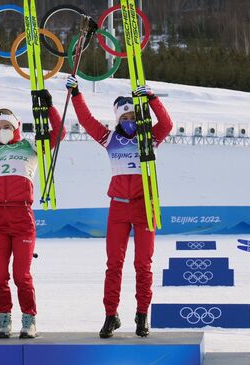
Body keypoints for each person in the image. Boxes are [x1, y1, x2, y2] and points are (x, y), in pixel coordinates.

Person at [66, 75, 173, 338]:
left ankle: (142, 315)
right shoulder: (109, 138)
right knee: (114, 264)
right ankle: (111, 315)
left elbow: (168, 124)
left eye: (132, 118)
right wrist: (77, 94)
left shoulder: (150, 138)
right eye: (124, 119)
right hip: (118, 208)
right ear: (118, 120)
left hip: (144, 207)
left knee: (143, 265)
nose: (129, 122)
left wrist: (153, 99)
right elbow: (87, 121)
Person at [0, 88, 65, 339]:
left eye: (6, 125)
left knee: (22, 275)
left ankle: (29, 319)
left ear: (16, 126)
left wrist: (50, 107)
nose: (1, 130)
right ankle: (4, 319)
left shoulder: (32, 148)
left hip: (22, 217)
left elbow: (59, 133)